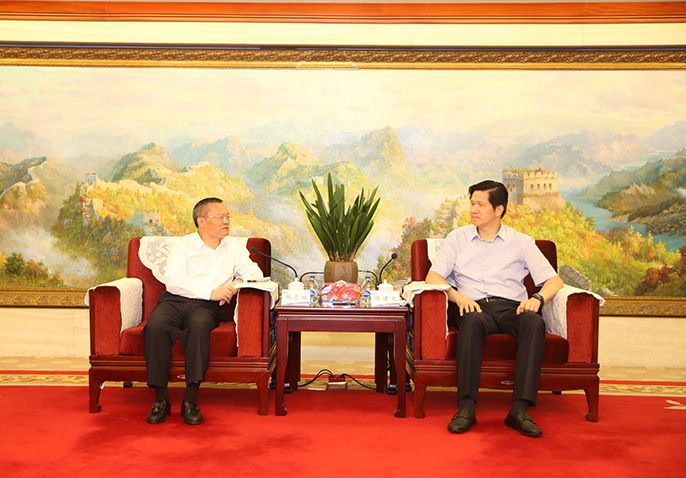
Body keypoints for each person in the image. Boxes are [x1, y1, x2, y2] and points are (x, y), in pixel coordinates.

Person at [426, 180, 563, 438]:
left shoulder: (521, 242)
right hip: (474, 305)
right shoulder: (458, 238)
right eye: (472, 203)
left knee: (534, 322)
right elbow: (433, 277)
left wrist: (538, 299)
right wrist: (458, 297)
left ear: (499, 209)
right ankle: (466, 408)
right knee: (471, 322)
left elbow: (554, 281)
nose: (473, 209)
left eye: (480, 204)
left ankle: (519, 410)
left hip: (513, 308)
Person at [144, 197, 264, 425]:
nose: (226, 221)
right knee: (156, 327)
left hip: (207, 308)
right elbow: (173, 282)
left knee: (198, 329)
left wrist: (234, 285)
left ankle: (190, 399)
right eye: (220, 217)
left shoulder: (233, 246)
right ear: (201, 221)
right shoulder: (183, 245)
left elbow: (255, 273)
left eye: (227, 217)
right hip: (175, 301)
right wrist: (211, 292)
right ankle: (161, 399)